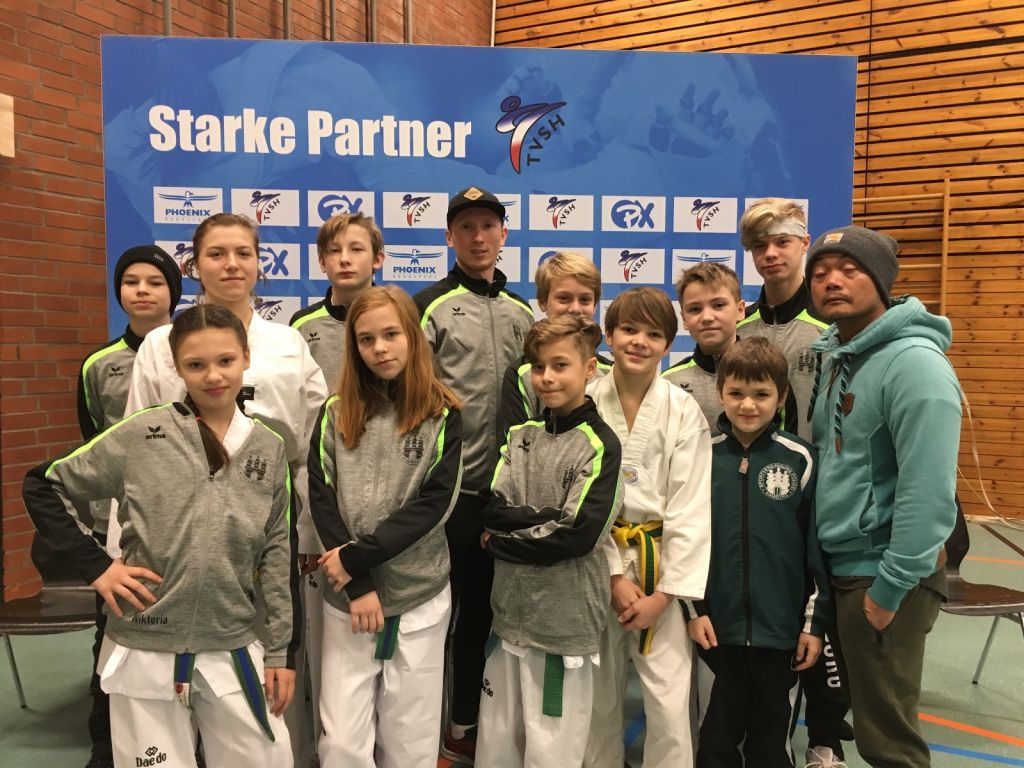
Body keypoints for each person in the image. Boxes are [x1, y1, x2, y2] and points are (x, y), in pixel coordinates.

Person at [24, 304, 300, 768]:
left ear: (246, 358)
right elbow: (43, 484)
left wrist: (279, 653)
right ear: (177, 368)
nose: (213, 375)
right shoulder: (142, 434)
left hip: (229, 640)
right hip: (144, 644)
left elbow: (277, 556)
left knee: (268, 757)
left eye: (225, 360)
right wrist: (98, 567)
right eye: (196, 364)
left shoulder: (268, 450)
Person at [125, 212, 328, 765]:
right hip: (177, 527)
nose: (231, 264)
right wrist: (125, 543)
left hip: (270, 523)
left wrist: (309, 531)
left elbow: (314, 444)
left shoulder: (288, 342)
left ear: (260, 262)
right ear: (195, 264)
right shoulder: (160, 344)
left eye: (244, 252)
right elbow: (134, 445)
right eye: (216, 253)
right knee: (185, 659)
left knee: (275, 652)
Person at [806, 226, 961, 768]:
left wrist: (891, 587)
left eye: (849, 269)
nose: (832, 281)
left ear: (881, 279)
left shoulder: (914, 363)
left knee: (889, 744)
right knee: (874, 727)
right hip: (847, 570)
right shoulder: (839, 356)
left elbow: (930, 490)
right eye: (820, 272)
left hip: (884, 576)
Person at [308, 285, 463, 768]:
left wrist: (357, 559)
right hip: (348, 600)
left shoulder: (443, 413)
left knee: (410, 741)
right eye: (366, 339)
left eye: (391, 334)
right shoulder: (335, 413)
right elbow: (322, 497)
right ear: (353, 346)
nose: (380, 348)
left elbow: (434, 504)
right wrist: (357, 582)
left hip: (418, 593)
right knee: (341, 742)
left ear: (413, 336)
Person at [413, 186, 535, 763]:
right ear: (449, 237)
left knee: (485, 617)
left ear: (503, 234)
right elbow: (411, 398)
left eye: (488, 225)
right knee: (437, 617)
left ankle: (465, 723)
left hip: (503, 493)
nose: (478, 236)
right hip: (446, 493)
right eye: (466, 227)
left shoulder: (523, 312)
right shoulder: (428, 306)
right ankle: (427, 729)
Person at [476, 315, 622, 768]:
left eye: (561, 365)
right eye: (539, 367)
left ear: (590, 368)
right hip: (508, 616)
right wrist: (547, 519)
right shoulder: (521, 436)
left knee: (551, 754)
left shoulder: (600, 445)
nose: (548, 377)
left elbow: (578, 535)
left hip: (563, 625)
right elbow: (492, 508)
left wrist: (497, 544)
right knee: (496, 747)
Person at [737, 198, 849, 768]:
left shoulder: (831, 327)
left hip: (820, 496)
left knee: (820, 617)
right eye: (759, 246)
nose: (771, 254)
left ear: (804, 243)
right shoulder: (742, 330)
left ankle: (825, 737)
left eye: (782, 242)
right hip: (761, 499)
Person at [684, 336, 831, 768]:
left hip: (781, 633)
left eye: (761, 394)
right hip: (717, 631)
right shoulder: (702, 457)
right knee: (715, 742)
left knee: (771, 745)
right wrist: (695, 611)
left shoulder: (801, 459)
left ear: (781, 397)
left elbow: (815, 551)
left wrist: (812, 625)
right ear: (720, 393)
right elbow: (685, 542)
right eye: (736, 393)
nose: (748, 405)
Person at [583, 287, 712, 768]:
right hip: (597, 561)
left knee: (668, 700)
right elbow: (577, 501)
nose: (639, 341)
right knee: (597, 695)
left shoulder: (683, 409)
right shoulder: (585, 401)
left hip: (661, 569)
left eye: (653, 334)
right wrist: (613, 576)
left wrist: (665, 594)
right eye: (628, 329)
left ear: (668, 344)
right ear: (609, 334)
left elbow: (692, 506)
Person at [75, 244, 182, 768]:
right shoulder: (99, 364)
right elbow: (92, 442)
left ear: (173, 293)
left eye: (155, 282)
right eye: (131, 281)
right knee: (114, 629)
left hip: (180, 518)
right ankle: (105, 741)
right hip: (118, 523)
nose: (142, 291)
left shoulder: (193, 348)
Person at [290, 211, 386, 752]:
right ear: (322, 261)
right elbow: (301, 428)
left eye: (356, 249)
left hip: (390, 493)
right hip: (326, 497)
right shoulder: (301, 329)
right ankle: (324, 745)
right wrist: (310, 523)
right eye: (334, 251)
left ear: (378, 258)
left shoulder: (401, 317)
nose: (345, 259)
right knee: (326, 641)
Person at [497, 251, 612, 441]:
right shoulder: (521, 375)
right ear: (543, 302)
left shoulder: (610, 373)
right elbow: (517, 447)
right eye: (564, 298)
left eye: (584, 299)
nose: (575, 308)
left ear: (595, 305)